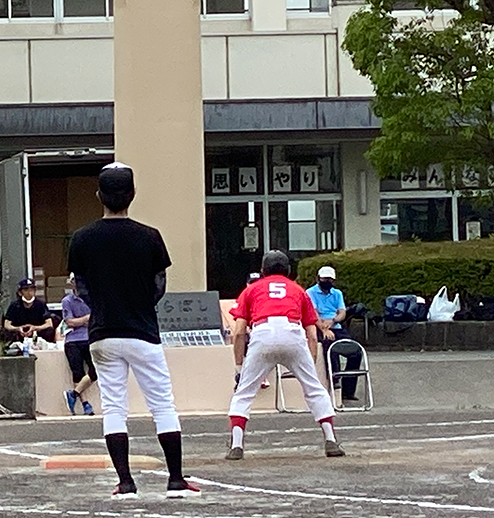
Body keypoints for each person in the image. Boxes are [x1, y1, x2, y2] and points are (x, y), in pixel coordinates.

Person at [67, 162, 199, 500]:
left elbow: (81, 287)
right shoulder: (150, 236)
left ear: (99, 195)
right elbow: (159, 285)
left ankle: (125, 483)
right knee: (162, 405)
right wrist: (139, 304)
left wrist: (103, 306)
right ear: (133, 194)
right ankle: (175, 480)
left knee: (113, 406)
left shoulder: (82, 238)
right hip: (142, 330)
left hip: (102, 332)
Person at [226, 250, 345, 460]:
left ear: (263, 271)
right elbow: (311, 334)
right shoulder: (298, 290)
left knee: (244, 392)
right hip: (292, 332)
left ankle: (237, 445)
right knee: (314, 389)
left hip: (263, 332)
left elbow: (239, 332)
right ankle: (330, 439)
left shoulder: (252, 289)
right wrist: (309, 364)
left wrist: (238, 367)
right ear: (289, 271)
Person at [307, 265, 361, 403]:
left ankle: (348, 390)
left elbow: (342, 312)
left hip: (335, 326)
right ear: (318, 278)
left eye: (330, 279)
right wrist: (324, 329)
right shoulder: (310, 292)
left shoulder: (337, 293)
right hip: (318, 326)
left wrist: (333, 321)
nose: (327, 281)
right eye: (324, 279)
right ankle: (335, 380)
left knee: (356, 352)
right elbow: (313, 313)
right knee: (329, 345)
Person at [61, 273, 96, 416]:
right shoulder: (67, 301)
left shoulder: (92, 298)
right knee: (77, 372)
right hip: (73, 340)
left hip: (90, 338)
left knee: (95, 369)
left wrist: (80, 321)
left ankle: (73, 394)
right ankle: (85, 404)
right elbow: (69, 322)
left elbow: (96, 318)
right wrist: (86, 319)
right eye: (75, 280)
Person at [2, 278, 54, 345]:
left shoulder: (40, 304)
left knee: (49, 331)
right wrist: (18, 329)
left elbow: (49, 323)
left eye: (31, 290)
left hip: (37, 334)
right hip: (19, 334)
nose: (29, 293)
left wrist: (34, 328)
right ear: (20, 293)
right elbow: (7, 324)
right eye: (26, 290)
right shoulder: (15, 305)